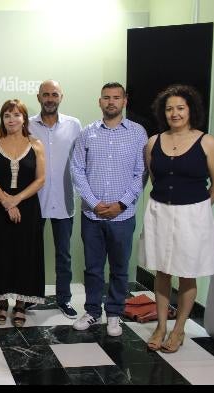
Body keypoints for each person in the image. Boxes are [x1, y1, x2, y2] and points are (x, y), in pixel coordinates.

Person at [141, 85, 214, 354]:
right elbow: (155, 177)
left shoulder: (207, 142)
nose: (174, 113)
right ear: (162, 112)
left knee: (187, 274)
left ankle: (178, 329)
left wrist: (198, 210)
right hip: (159, 212)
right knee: (162, 271)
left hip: (193, 216)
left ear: (191, 110)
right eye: (169, 109)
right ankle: (160, 326)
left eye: (180, 108)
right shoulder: (153, 142)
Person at [70, 82, 147, 337]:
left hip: (123, 215)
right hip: (92, 215)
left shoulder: (138, 133)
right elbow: (77, 170)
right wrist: (94, 203)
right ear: (99, 101)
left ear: (125, 101)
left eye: (116, 97)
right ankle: (92, 311)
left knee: (119, 268)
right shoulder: (87, 133)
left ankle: (114, 313)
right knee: (93, 268)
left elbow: (141, 173)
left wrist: (121, 204)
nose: (111, 101)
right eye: (106, 97)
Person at [0, 99, 46, 328]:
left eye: (16, 115)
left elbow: (40, 180)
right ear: (2, 119)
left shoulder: (36, 145)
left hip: (28, 209)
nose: (11, 119)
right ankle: (3, 303)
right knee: (1, 255)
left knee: (25, 255)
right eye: (7, 115)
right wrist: (7, 202)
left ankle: (21, 304)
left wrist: (17, 199)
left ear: (24, 118)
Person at [29, 79, 82, 319]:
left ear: (61, 97)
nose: (50, 99)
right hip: (34, 200)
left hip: (64, 199)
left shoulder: (74, 125)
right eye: (46, 94)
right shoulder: (27, 125)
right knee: (31, 253)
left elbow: (81, 161)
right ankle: (30, 297)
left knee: (64, 255)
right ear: (38, 97)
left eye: (54, 94)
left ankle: (64, 299)